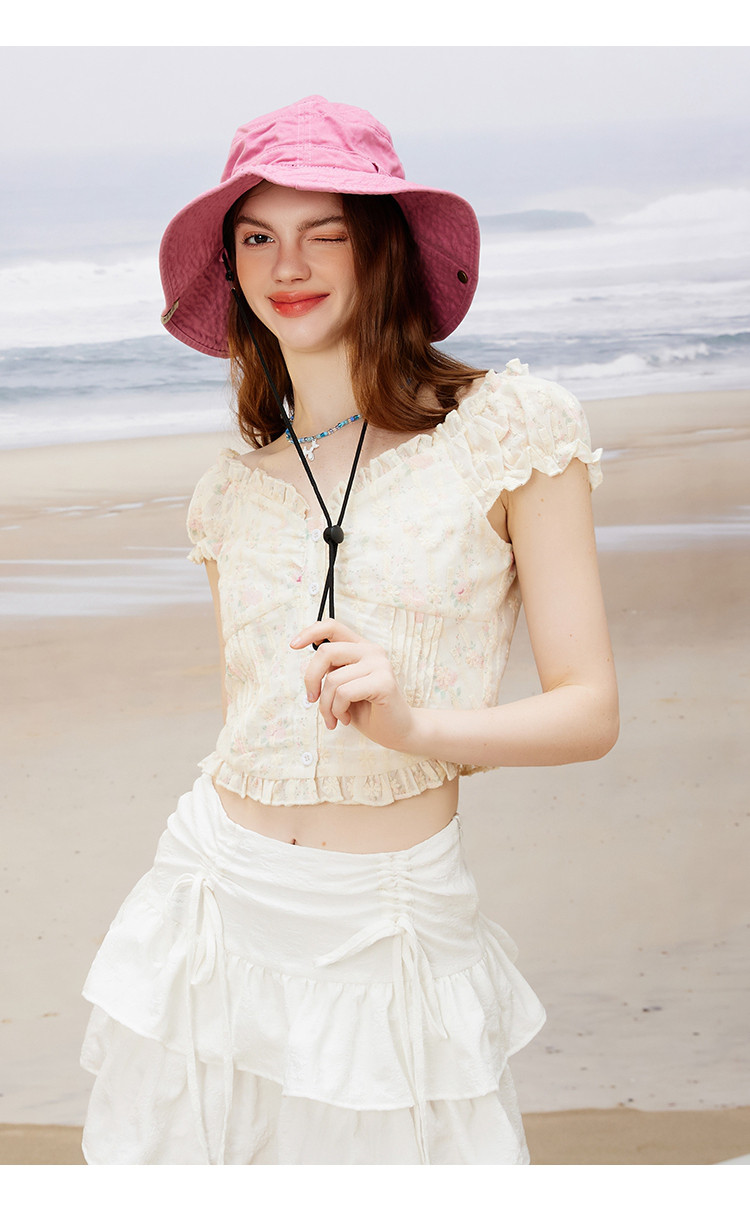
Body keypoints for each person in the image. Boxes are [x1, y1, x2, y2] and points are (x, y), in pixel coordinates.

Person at [79, 95, 619, 1165]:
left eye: (324, 232)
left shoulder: (511, 432)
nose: (289, 264)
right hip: (212, 903)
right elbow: (253, 727)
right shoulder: (228, 495)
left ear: (382, 248)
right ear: (231, 267)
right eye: (257, 238)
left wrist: (418, 728)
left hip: (391, 919)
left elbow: (590, 711)